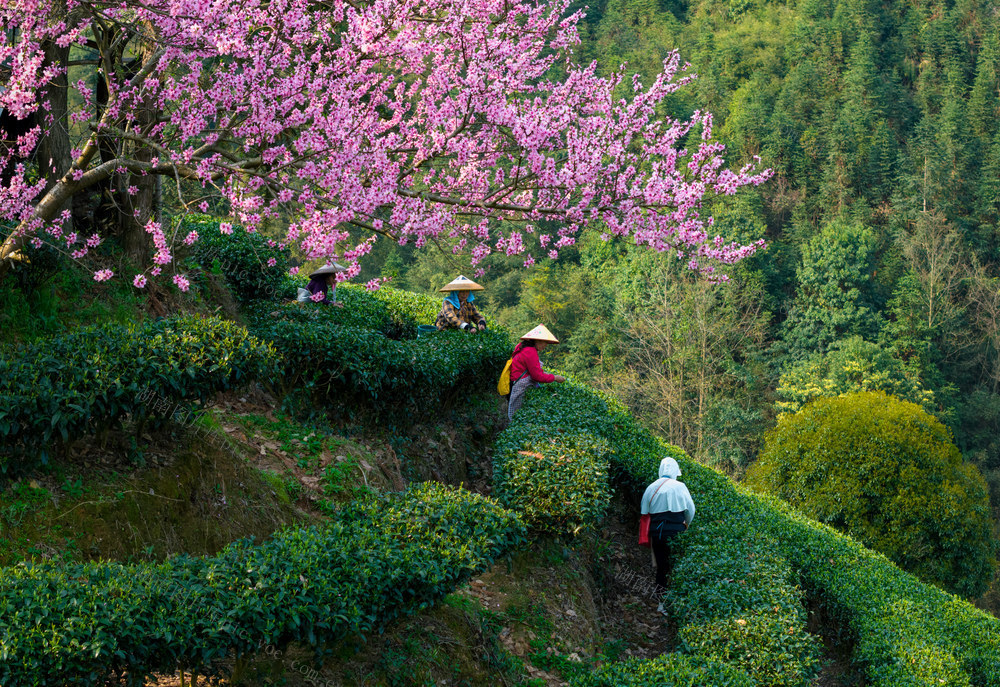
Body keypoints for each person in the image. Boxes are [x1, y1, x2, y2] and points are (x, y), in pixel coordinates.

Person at [640, 456, 695, 613]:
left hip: (657, 533)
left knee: (662, 567)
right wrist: (686, 525)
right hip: (676, 532)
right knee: (676, 566)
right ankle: (677, 604)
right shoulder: (680, 486)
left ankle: (661, 602)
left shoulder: (651, 487)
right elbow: (691, 510)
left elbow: (644, 512)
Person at [507, 324, 566, 420]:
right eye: (544, 342)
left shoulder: (523, 347)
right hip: (519, 386)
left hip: (514, 383)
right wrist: (555, 377)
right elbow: (537, 376)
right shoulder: (530, 351)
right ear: (537, 340)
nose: (545, 345)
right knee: (517, 416)